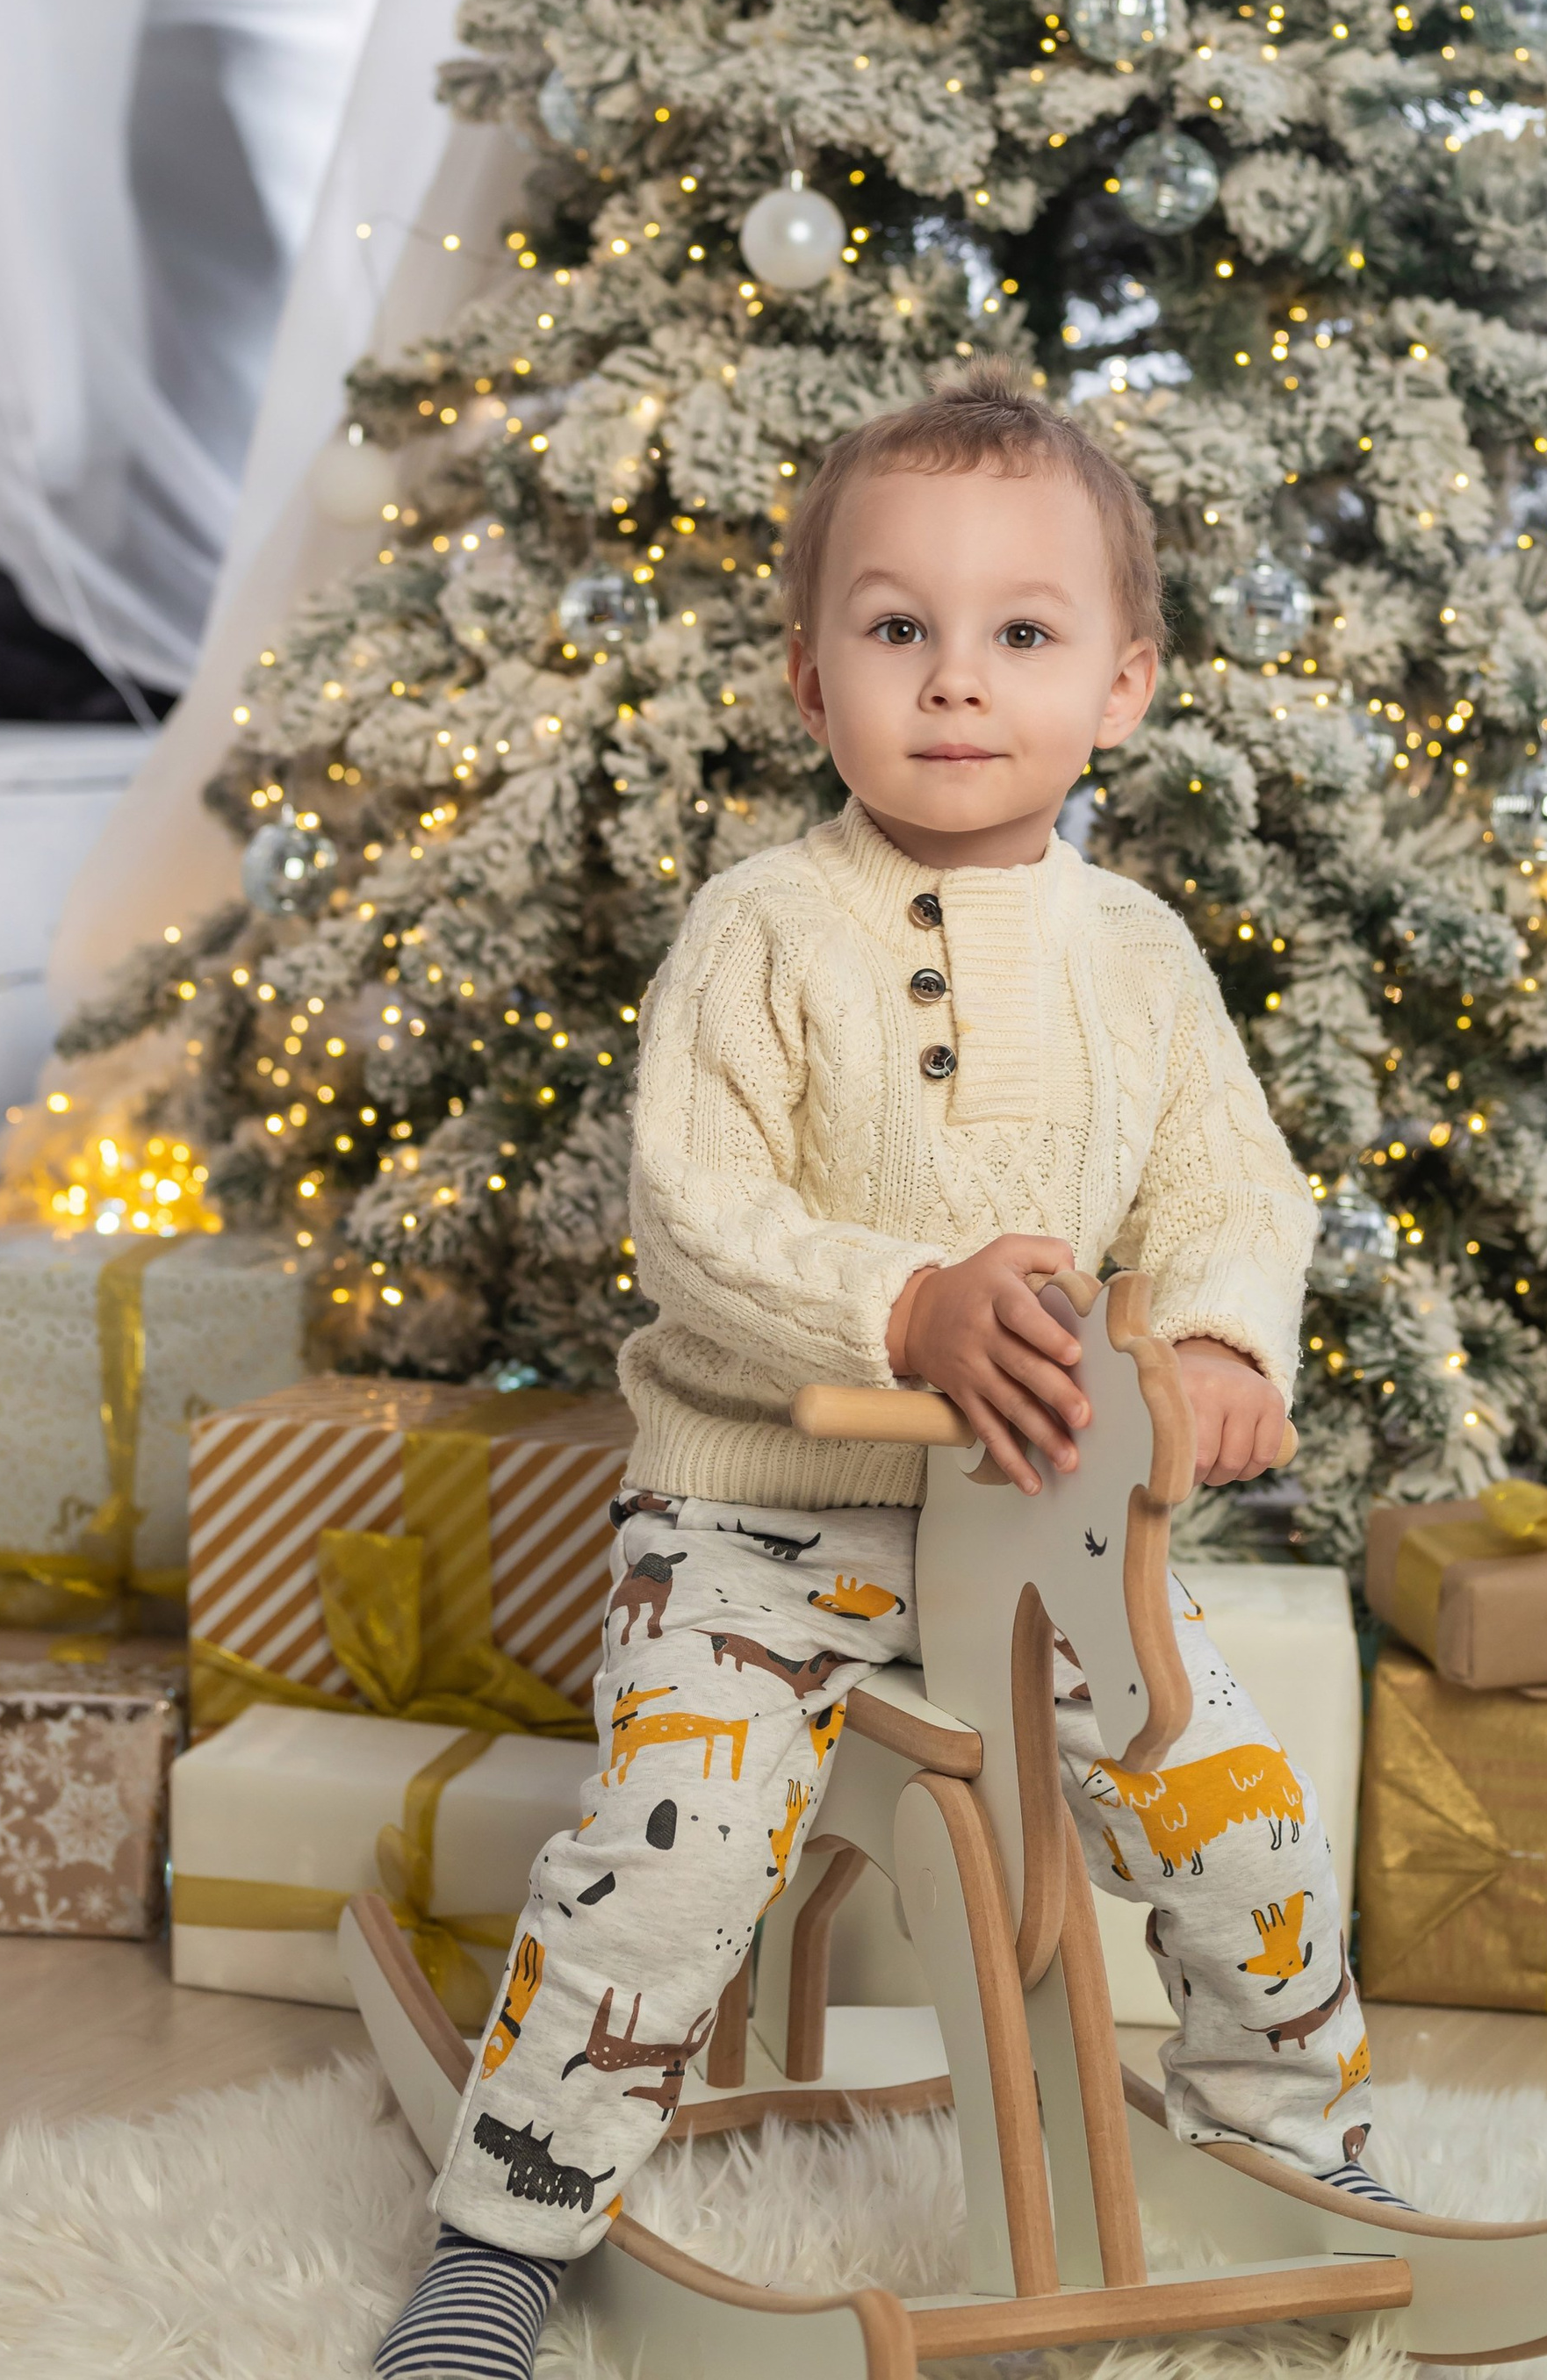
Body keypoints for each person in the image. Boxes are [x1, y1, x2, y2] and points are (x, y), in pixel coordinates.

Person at [367, 363, 1386, 2380]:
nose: (952, 681)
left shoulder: (1140, 960)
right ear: (807, 676)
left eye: (1020, 634)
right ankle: (502, 2227)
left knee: (1245, 1817)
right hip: (760, 1527)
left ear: (1120, 685)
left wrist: (1205, 1337)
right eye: (894, 628)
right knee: (675, 1851)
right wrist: (904, 1305)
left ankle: (1293, 2145)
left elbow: (1227, 1186)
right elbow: (695, 1213)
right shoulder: (761, 931)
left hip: (1043, 1525)